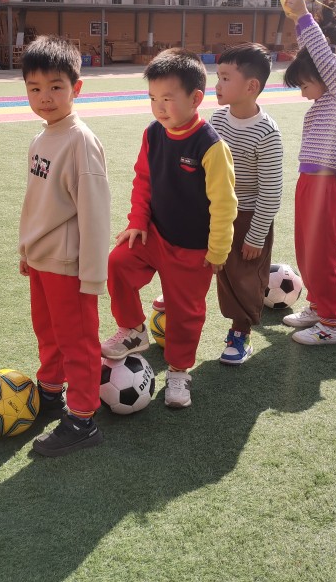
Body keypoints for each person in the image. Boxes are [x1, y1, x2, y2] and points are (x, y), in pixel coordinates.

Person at [101, 49, 237, 407]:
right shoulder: (153, 134)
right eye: (152, 98)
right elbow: (143, 181)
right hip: (154, 235)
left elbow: (225, 205)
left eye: (167, 98)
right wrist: (137, 222)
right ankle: (133, 330)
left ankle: (178, 372)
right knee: (118, 263)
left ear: (195, 99)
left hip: (193, 250)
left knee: (185, 314)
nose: (159, 107)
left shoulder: (211, 146)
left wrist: (218, 251)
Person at [18, 36, 112, 457]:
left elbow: (95, 213)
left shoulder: (80, 141)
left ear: (77, 88)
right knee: (48, 333)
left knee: (78, 341)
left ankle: (82, 419)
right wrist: (27, 250)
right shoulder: (42, 137)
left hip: (69, 265)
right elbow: (36, 201)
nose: (45, 97)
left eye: (56, 86)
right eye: (35, 88)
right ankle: (52, 392)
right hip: (42, 259)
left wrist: (92, 276)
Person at [280, 0, 336, 345]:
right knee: (306, 253)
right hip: (308, 183)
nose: (302, 93)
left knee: (320, 257)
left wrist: (304, 16)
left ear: (324, 76)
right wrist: (300, 22)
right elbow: (314, 57)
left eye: (304, 85)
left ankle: (331, 325)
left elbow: (322, 58)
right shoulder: (325, 101)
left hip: (326, 187)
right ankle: (317, 306)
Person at [210, 43, 283, 364]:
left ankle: (240, 332)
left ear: (251, 86)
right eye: (217, 76)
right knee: (210, 266)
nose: (217, 84)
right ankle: (179, 311)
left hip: (248, 216)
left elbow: (271, 190)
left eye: (226, 78)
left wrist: (256, 235)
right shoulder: (216, 120)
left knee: (243, 276)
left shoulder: (266, 133)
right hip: (215, 213)